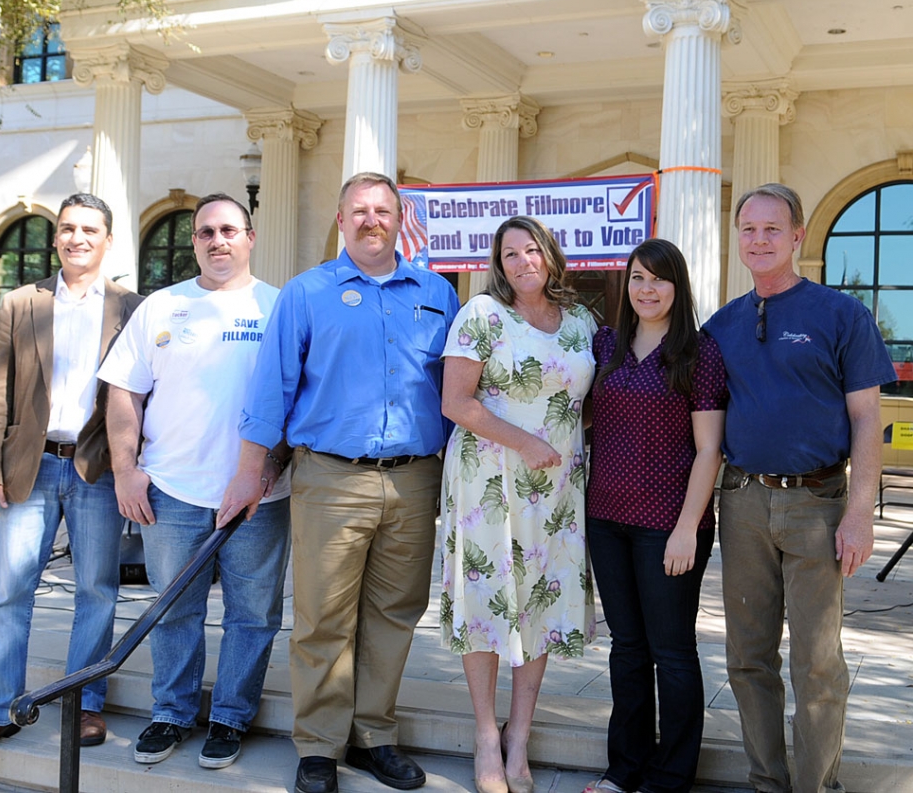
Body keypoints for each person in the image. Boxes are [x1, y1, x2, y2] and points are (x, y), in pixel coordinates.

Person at [220, 172, 459, 793]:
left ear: (399, 218)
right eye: (359, 210)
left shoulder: (437, 293)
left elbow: (458, 392)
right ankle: (320, 746)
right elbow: (270, 387)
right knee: (324, 617)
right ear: (341, 217)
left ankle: (374, 735)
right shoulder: (306, 293)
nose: (370, 220)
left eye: (382, 210)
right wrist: (250, 472)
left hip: (415, 480)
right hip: (330, 478)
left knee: (395, 613)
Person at [704, 183, 896, 793]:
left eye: (771, 229)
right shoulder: (722, 326)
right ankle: (768, 780)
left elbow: (869, 417)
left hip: (817, 504)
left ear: (796, 237)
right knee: (747, 657)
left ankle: (816, 785)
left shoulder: (842, 315)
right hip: (742, 503)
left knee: (818, 662)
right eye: (748, 229)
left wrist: (860, 513)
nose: (758, 240)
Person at [99, 193, 290, 771]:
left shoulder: (279, 307)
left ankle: (230, 718)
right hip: (171, 491)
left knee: (252, 614)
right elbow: (124, 393)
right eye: (205, 232)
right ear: (195, 243)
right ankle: (172, 713)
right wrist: (126, 471)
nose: (217, 240)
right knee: (173, 609)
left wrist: (265, 475)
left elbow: (295, 402)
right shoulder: (161, 306)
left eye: (229, 229)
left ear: (250, 237)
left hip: (259, 497)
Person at [0, 194, 141, 764]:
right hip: (27, 469)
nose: (76, 237)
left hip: (97, 469)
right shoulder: (22, 303)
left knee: (97, 591)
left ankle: (83, 701)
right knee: (10, 591)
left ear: (108, 241)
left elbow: (143, 397)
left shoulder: (133, 308)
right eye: (66, 228)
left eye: (89, 229)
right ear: (56, 238)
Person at [439, 215, 598, 793]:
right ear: (498, 265)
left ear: (551, 256)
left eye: (532, 250)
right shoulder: (480, 315)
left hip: (557, 489)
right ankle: (486, 733)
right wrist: (527, 441)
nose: (523, 261)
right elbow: (455, 402)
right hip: (489, 483)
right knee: (488, 597)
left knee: (539, 599)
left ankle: (519, 736)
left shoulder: (581, 322)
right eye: (510, 255)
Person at [584, 238, 727, 793]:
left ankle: (670, 777)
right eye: (639, 277)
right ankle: (626, 767)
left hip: (669, 524)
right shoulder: (607, 345)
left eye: (660, 279)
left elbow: (709, 449)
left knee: (671, 651)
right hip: (606, 518)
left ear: (678, 286)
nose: (648, 289)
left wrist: (688, 528)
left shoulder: (699, 352)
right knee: (627, 649)